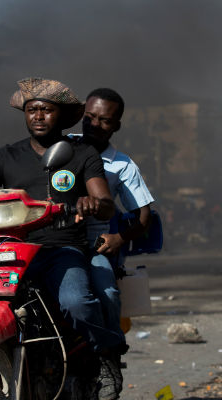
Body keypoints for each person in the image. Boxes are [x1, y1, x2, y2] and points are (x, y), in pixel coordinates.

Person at [0, 78, 125, 399]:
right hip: (8, 250)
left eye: (46, 110)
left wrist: (93, 203)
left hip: (59, 249)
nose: (38, 116)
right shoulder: (5, 156)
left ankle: (101, 358)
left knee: (77, 302)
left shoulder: (82, 153)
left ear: (61, 116)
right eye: (32, 110)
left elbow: (104, 202)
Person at [71, 88, 154, 365]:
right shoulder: (62, 147)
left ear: (116, 126)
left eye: (104, 120)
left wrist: (119, 238)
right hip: (52, 240)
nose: (94, 124)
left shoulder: (123, 165)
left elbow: (144, 216)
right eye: (90, 117)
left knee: (106, 291)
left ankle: (108, 357)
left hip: (93, 246)